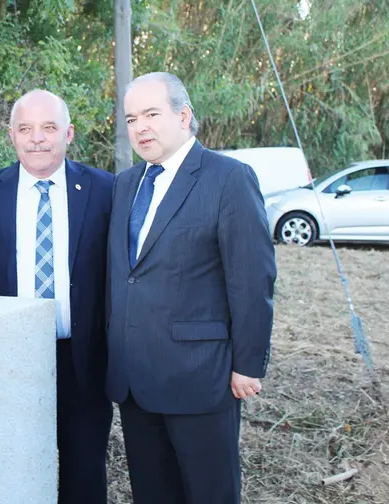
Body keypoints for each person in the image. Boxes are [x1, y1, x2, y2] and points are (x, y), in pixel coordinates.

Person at [105, 72, 276, 504]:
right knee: (152, 492)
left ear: (184, 116)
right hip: (135, 381)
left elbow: (252, 279)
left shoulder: (229, 178)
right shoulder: (126, 184)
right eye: (130, 118)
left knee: (208, 493)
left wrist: (248, 364)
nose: (140, 127)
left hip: (201, 377)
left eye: (151, 114)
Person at [0, 89, 114, 504]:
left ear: (69, 134)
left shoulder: (106, 190)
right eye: (26, 129)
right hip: (11, 358)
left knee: (84, 470)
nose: (38, 139)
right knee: (16, 469)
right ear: (10, 135)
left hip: (83, 356)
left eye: (49, 128)